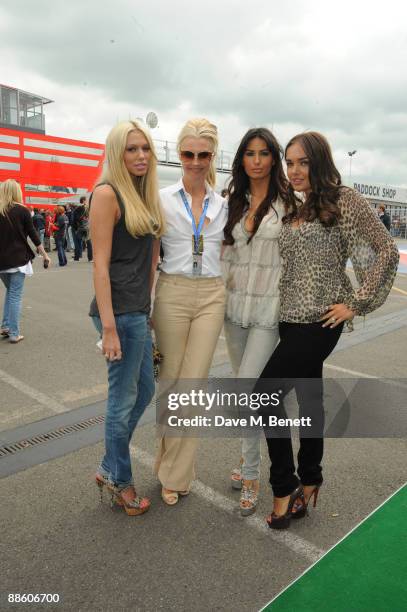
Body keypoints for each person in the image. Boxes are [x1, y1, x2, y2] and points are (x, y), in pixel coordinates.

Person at [254, 131, 399, 530]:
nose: (295, 170)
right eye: (290, 162)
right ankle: (312, 476)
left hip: (321, 321)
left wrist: (356, 303)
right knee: (309, 396)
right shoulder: (295, 208)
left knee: (264, 394)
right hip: (289, 318)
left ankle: (284, 487)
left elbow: (385, 250)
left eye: (303, 162)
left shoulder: (343, 199)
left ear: (319, 162)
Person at [89, 120, 165, 516]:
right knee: (121, 403)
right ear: (117, 153)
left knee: (145, 391)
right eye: (131, 149)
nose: (140, 156)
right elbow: (99, 267)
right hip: (117, 314)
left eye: (145, 149)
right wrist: (109, 327)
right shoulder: (106, 193)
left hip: (137, 312)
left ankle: (108, 465)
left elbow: (150, 260)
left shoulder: (144, 194)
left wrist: (147, 310)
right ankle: (120, 481)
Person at [152, 117, 228, 505]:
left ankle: (175, 474)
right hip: (172, 294)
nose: (195, 161)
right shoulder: (162, 198)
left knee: (193, 387)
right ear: (179, 154)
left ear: (212, 155)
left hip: (212, 296)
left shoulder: (224, 204)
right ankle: (169, 461)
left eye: (203, 154)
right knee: (170, 384)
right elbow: (149, 255)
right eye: (188, 153)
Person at [221, 128, 288, 516]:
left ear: (273, 158)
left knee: (247, 392)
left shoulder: (290, 204)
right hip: (233, 313)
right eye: (250, 153)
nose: (258, 160)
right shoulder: (233, 201)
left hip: (267, 313)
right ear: (242, 159)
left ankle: (251, 473)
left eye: (264, 153)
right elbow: (223, 254)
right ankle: (246, 460)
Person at [0, 180, 51, 343]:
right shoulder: (22, 210)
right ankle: (14, 333)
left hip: (2, 262)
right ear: (17, 191)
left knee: (10, 292)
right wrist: (45, 255)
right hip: (18, 260)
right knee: (15, 295)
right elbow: (33, 235)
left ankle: (6, 326)